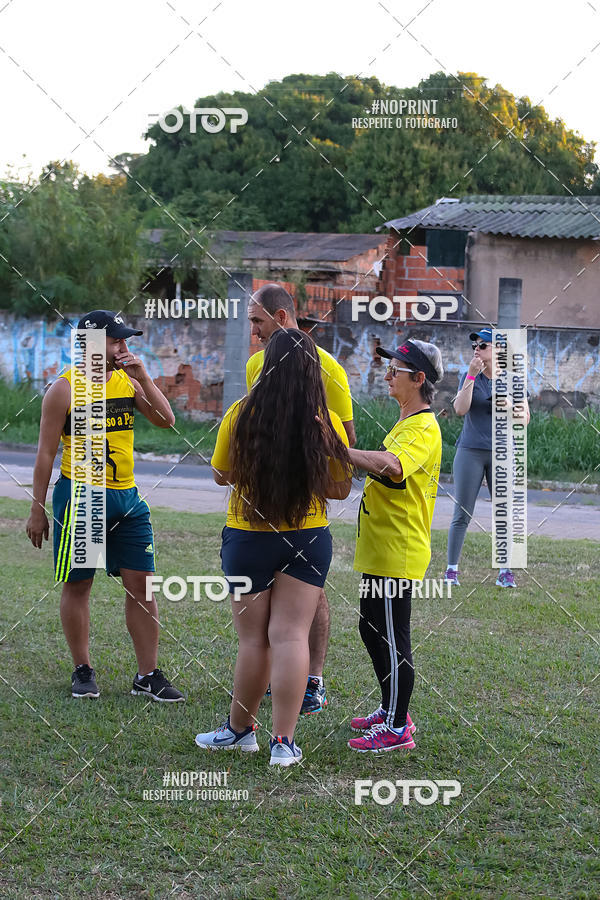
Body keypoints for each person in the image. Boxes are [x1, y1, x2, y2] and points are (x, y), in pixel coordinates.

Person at [194, 329, 352, 766]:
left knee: (253, 640)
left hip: (248, 539)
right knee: (291, 635)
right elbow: (339, 490)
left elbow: (220, 475)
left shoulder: (240, 414)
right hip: (308, 538)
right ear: (312, 371)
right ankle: (284, 743)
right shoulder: (327, 422)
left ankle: (240, 731)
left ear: (265, 364)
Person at [25, 310, 185, 702]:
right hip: (81, 495)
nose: (124, 349)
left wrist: (145, 378)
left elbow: (166, 420)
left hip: (128, 498)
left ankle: (147, 675)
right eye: (117, 341)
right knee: (79, 584)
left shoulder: (127, 382)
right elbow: (45, 454)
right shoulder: (63, 389)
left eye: (125, 341)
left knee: (143, 587)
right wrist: (37, 509)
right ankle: (83, 670)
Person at [246, 283, 356, 715]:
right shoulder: (258, 363)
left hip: (307, 502)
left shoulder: (329, 369)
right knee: (268, 592)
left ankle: (313, 681)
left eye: (257, 321)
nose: (253, 331)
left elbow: (344, 443)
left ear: (281, 317)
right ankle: (274, 676)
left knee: (313, 594)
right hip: (265, 500)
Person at [345, 340, 443, 753]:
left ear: (418, 379)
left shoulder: (423, 427)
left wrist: (340, 450)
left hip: (398, 550)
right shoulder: (405, 424)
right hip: (381, 549)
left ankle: (397, 725)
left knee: (391, 636)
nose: (388, 375)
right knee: (371, 628)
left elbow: (393, 467)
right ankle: (390, 709)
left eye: (396, 370)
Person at [445, 328, 530, 589]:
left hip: (503, 452)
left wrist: (509, 406)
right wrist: (471, 374)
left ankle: (505, 572)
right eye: (475, 346)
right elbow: (459, 409)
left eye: (483, 345)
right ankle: (451, 571)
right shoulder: (470, 375)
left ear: (499, 350)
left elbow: (525, 419)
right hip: (470, 450)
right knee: (462, 512)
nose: (477, 349)